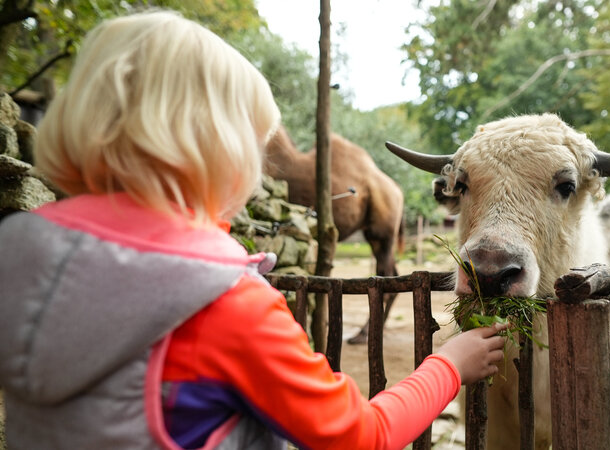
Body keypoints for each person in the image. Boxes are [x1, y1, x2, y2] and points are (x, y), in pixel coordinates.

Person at [0, 10, 507, 450]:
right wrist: (448, 366)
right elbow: (358, 436)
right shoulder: (222, 300)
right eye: (254, 146)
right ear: (219, 151)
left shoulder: (16, 252)